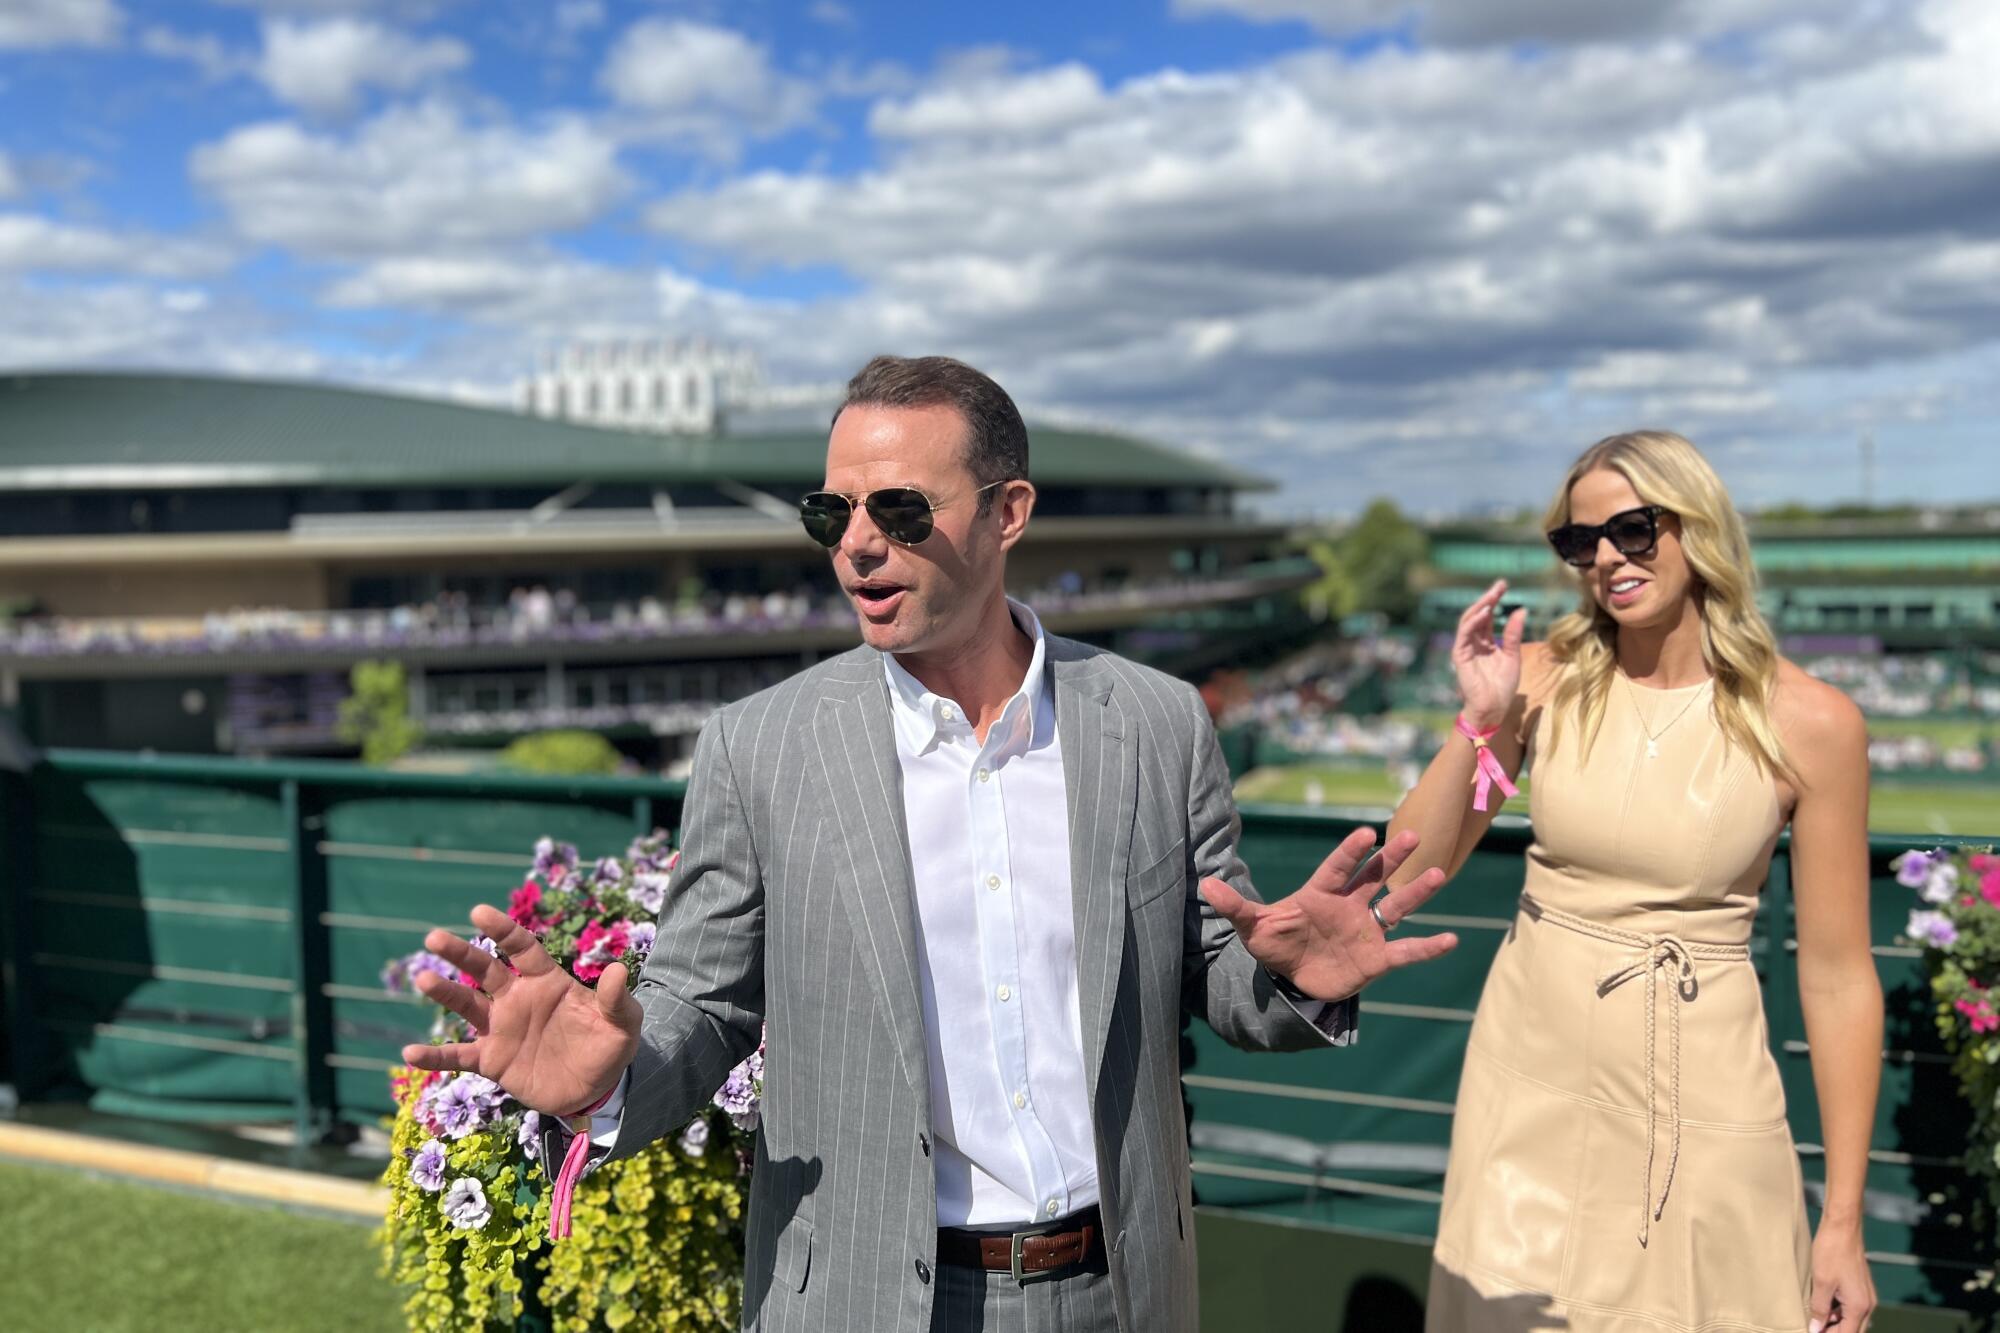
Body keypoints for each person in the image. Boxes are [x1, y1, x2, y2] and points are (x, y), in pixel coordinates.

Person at [401, 355, 1461, 1333]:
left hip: (1123, 1288)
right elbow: (704, 1004)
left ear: (1008, 513)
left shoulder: (1156, 721)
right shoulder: (757, 746)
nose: (857, 541)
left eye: (899, 509)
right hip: (864, 1297)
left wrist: (1290, 981)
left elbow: (1218, 970)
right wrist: (606, 1080)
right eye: (834, 510)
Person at [1394, 431, 1881, 1332]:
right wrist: (1479, 724)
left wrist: (1843, 1221)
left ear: (1696, 526)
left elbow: (1840, 973)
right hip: (1529, 1080)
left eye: (1634, 528)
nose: (1608, 558)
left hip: (1705, 1094)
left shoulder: (1814, 724)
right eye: (1582, 541)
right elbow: (1418, 863)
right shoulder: (1535, 683)